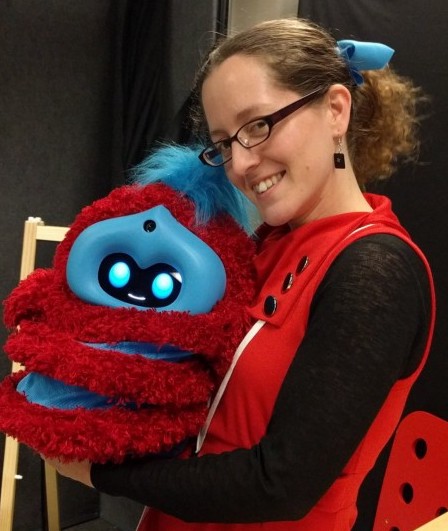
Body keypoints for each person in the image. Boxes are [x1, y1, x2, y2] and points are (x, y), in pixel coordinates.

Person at [46, 17, 435, 531]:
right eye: (225, 142)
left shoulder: (375, 270)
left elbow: (279, 484)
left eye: (258, 125)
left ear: (335, 110)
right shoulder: (266, 245)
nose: (242, 162)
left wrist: (100, 471)